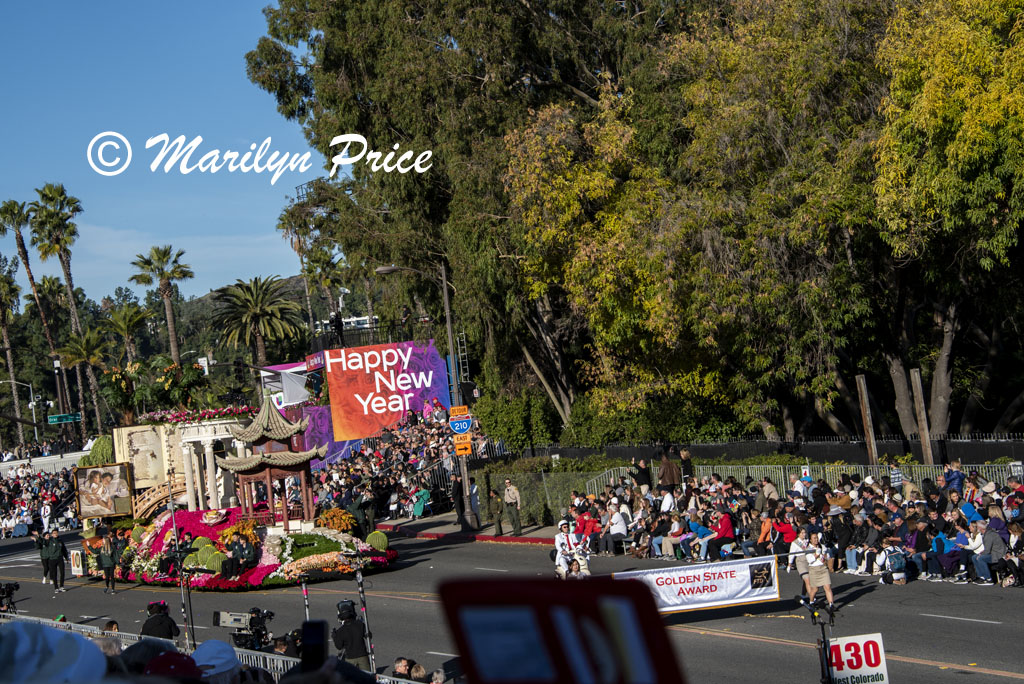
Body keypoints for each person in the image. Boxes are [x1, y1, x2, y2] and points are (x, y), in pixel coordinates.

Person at [331, 600, 371, 672]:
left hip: (350, 658)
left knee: (350, 677)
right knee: (366, 676)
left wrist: (334, 636)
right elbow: (368, 636)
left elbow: (339, 646)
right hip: (362, 655)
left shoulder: (341, 631)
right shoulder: (360, 624)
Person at [806, 532, 834, 608]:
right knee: (815, 589)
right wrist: (816, 555)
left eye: (817, 538)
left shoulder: (821, 546)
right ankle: (811, 601)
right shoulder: (808, 549)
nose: (816, 540)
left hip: (823, 568)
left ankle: (831, 604)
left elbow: (827, 557)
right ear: (810, 540)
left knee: (827, 587)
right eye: (814, 538)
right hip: (814, 570)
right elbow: (810, 560)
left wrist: (825, 556)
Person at [44, 529, 68, 594]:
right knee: (54, 573)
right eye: (54, 533)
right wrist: (38, 536)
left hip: (60, 558)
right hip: (52, 559)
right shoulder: (49, 541)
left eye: (56, 533)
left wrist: (66, 557)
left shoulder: (60, 540)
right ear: (52, 534)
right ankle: (56, 587)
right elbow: (43, 542)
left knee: (62, 572)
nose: (55, 534)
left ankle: (61, 586)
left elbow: (64, 549)